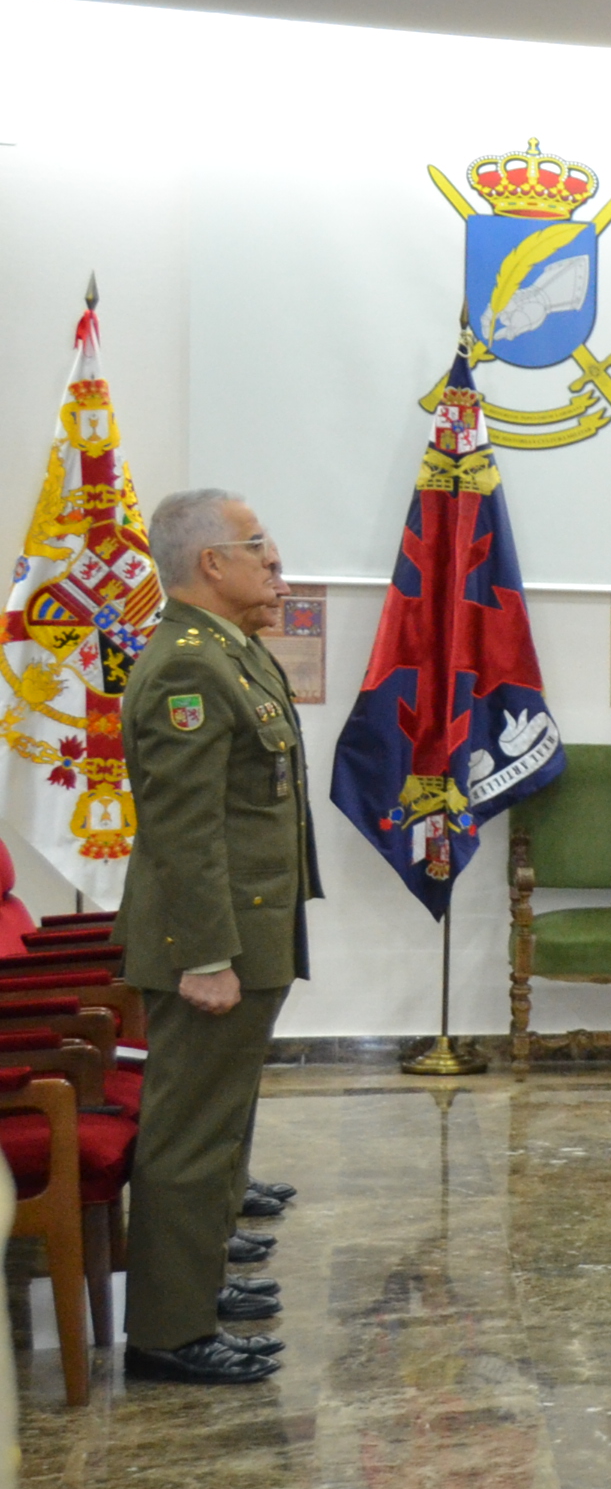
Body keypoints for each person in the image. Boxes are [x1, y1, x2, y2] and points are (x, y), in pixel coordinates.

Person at [117, 490, 319, 1386]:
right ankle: (168, 1332)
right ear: (210, 564)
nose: (272, 562)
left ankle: (194, 1285)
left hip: (248, 932)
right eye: (256, 546)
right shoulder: (189, 668)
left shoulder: (230, 654)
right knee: (189, 1137)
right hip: (213, 942)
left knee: (219, 1122)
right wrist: (205, 955)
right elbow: (184, 828)